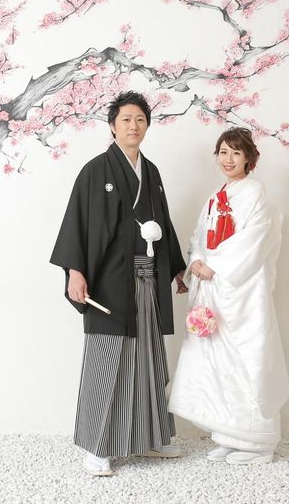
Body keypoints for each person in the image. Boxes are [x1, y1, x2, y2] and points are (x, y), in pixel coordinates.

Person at [50, 91, 187, 476]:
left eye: (140, 120)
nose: (133, 126)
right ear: (112, 126)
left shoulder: (151, 172)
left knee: (148, 358)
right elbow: (76, 222)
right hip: (110, 280)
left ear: (147, 126)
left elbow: (164, 222)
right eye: (126, 119)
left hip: (147, 280)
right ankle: (97, 447)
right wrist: (75, 271)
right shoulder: (96, 170)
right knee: (106, 358)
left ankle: (150, 437)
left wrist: (176, 267)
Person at [168, 127, 289, 465]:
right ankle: (228, 434)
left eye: (236, 153)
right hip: (214, 290)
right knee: (216, 360)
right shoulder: (216, 196)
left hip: (242, 292)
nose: (228, 159)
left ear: (249, 158)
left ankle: (257, 443)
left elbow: (254, 239)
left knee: (246, 355)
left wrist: (215, 265)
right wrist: (196, 259)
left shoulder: (255, 194)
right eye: (223, 152)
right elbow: (200, 235)